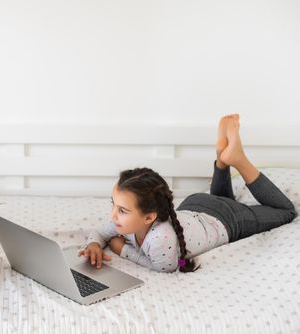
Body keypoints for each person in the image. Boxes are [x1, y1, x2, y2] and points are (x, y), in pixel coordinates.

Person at [79, 114, 297, 272]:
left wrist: (122, 250)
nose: (113, 215)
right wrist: (93, 245)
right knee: (223, 200)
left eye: (122, 210)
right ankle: (222, 161)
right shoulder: (124, 223)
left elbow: (164, 267)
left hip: (226, 219)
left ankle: (237, 160)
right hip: (199, 205)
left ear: (149, 217)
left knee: (287, 212)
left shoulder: (161, 237)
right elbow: (100, 232)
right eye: (114, 205)